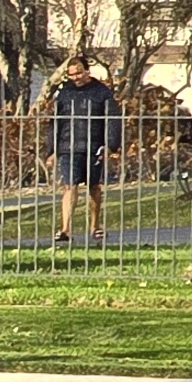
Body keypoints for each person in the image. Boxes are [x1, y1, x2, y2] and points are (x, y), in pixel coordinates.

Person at [47, 56, 119, 246]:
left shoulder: (102, 93)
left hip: (95, 147)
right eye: (71, 75)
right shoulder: (64, 94)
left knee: (94, 187)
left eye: (79, 73)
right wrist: (51, 150)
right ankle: (65, 230)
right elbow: (55, 122)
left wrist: (110, 145)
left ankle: (95, 227)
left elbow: (112, 119)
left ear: (88, 71)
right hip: (68, 147)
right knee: (70, 186)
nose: (76, 78)